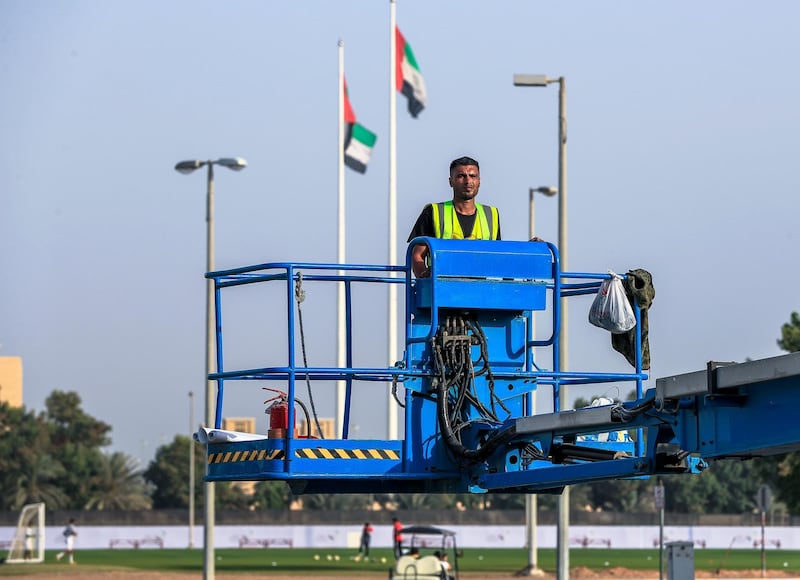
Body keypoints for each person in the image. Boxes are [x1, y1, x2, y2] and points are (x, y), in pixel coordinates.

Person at [408, 156, 501, 277]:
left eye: (473, 176)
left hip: (482, 290)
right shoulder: (433, 212)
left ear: (479, 181)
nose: (468, 181)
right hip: (443, 290)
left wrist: (528, 248)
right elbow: (417, 256)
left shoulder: (491, 214)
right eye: (461, 176)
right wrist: (425, 280)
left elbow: (500, 255)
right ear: (450, 181)